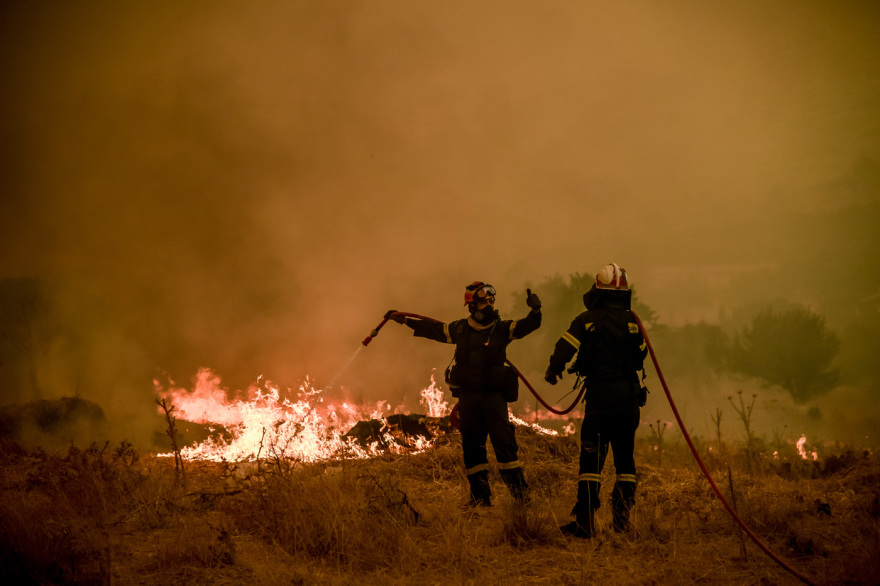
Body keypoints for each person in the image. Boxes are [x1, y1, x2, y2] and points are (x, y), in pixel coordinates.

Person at [387, 281, 542, 506]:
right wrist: (404, 321)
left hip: (494, 399)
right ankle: (480, 499)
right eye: (483, 301)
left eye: (491, 300)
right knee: (472, 448)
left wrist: (535, 311)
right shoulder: (460, 329)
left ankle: (521, 497)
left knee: (505, 446)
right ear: (472, 305)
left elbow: (528, 325)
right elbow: (433, 331)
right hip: (468, 400)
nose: (489, 305)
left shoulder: (502, 329)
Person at [544, 263, 648, 538]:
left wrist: (553, 370)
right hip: (628, 400)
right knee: (625, 463)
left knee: (591, 463)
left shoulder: (587, 320)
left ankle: (585, 524)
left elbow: (564, 346)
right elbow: (640, 357)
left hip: (601, 400)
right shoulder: (633, 322)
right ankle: (622, 524)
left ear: (598, 290)